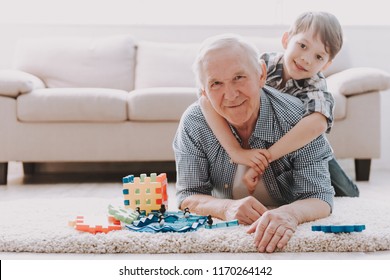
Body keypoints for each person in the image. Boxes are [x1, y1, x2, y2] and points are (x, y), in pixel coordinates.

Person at [173, 34, 335, 253]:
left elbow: (319, 196)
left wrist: (289, 213)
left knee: (341, 187)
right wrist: (226, 208)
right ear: (204, 91)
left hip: (319, 161)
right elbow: (188, 196)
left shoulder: (299, 121)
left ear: (261, 74)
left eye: (239, 77)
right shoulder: (195, 123)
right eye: (216, 83)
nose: (230, 95)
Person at [199, 11, 359, 197]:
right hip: (266, 137)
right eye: (302, 45)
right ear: (286, 40)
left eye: (318, 57)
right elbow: (205, 99)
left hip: (304, 147)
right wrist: (235, 151)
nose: (306, 59)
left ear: (326, 65)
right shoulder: (264, 63)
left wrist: (267, 157)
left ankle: (350, 190)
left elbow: (317, 125)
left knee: (344, 191)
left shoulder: (316, 84)